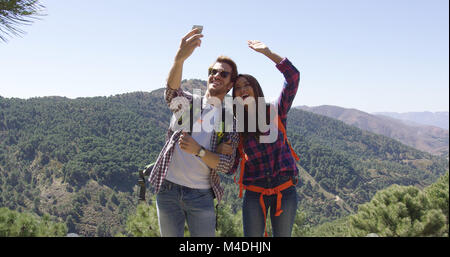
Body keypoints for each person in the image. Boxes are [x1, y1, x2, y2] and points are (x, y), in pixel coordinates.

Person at [148, 28, 240, 237]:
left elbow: (226, 164)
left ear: (230, 83)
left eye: (223, 74)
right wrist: (179, 60)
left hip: (201, 196)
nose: (216, 76)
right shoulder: (189, 102)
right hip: (168, 190)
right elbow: (171, 92)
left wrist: (198, 151)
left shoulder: (229, 121)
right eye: (213, 72)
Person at [217, 40, 300, 237]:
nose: (243, 89)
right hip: (254, 193)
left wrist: (268, 53)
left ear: (256, 88)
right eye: (238, 88)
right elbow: (230, 169)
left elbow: (293, 77)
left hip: (284, 190)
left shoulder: (274, 111)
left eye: (247, 85)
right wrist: (221, 151)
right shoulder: (235, 127)